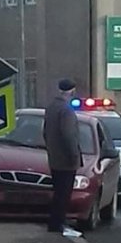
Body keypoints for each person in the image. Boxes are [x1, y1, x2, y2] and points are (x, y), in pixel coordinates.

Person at [43, 78, 82, 233]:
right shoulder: (66, 110)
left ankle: (55, 222)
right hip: (66, 160)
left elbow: (45, 132)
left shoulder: (51, 107)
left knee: (57, 191)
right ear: (71, 91)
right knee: (64, 194)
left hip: (54, 158)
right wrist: (74, 155)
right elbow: (68, 135)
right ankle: (57, 224)